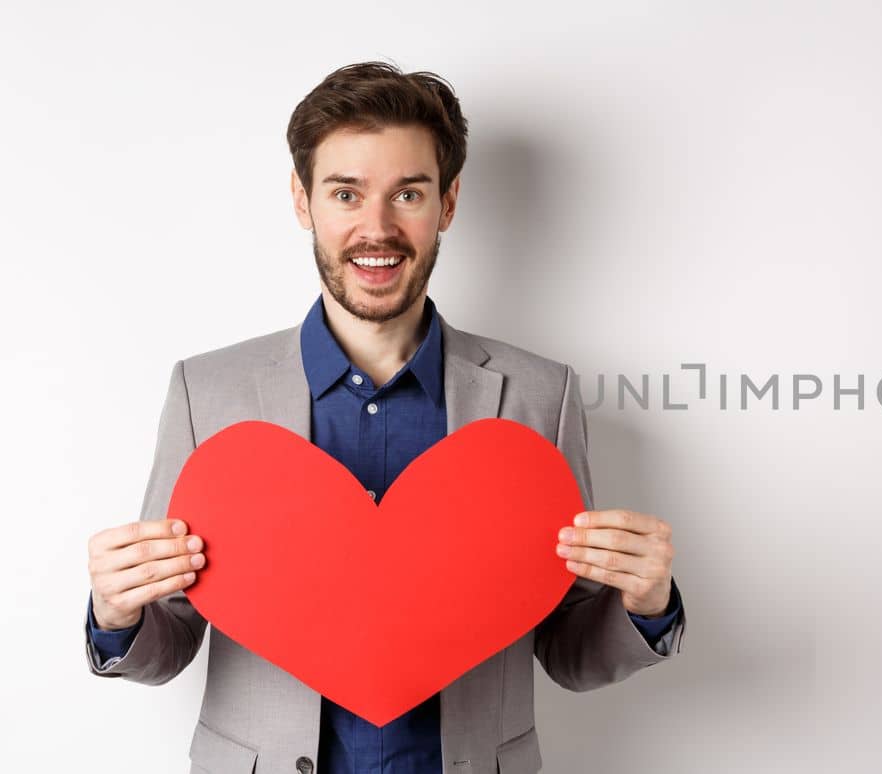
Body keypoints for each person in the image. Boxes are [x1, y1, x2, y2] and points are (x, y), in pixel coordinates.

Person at [80, 61, 685, 774]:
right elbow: (171, 638)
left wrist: (645, 603)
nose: (377, 228)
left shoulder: (538, 396)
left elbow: (566, 648)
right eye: (346, 193)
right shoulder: (204, 393)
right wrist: (118, 616)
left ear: (448, 203)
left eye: (408, 193)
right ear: (303, 201)